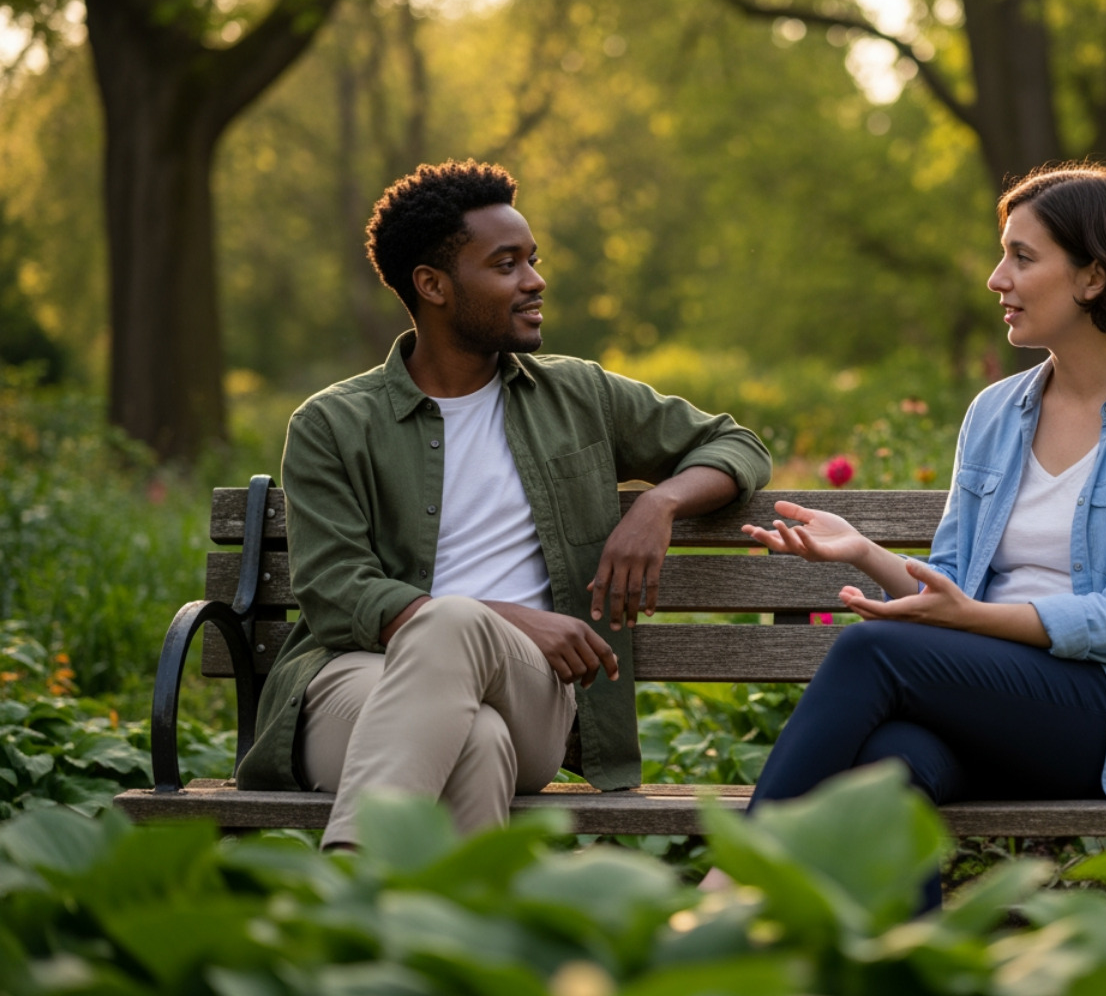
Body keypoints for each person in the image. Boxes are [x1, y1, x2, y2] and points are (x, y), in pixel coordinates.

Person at [724, 163, 1106, 907]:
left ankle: (725, 888)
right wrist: (864, 551)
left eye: (1022, 258)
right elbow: (952, 583)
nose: (997, 279)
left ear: (1093, 276)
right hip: (993, 701)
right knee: (887, 774)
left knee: (870, 649)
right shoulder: (996, 414)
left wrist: (972, 620)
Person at [234, 160, 772, 850]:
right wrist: (502, 615)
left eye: (532, 260)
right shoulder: (333, 424)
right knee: (477, 743)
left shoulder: (578, 395)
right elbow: (336, 587)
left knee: (469, 667)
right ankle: (450, 945)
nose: (535, 281)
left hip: (533, 691)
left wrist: (657, 504)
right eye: (506, 264)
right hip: (361, 677)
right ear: (432, 285)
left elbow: (735, 445)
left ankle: (345, 882)